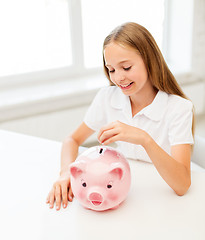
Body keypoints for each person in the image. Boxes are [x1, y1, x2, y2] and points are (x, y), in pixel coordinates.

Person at [46, 22, 194, 210]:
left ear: (150, 61)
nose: (118, 78)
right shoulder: (107, 98)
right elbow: (72, 139)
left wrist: (144, 139)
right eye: (112, 69)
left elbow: (182, 185)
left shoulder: (178, 108)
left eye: (126, 67)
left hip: (164, 201)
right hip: (127, 194)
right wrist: (65, 172)